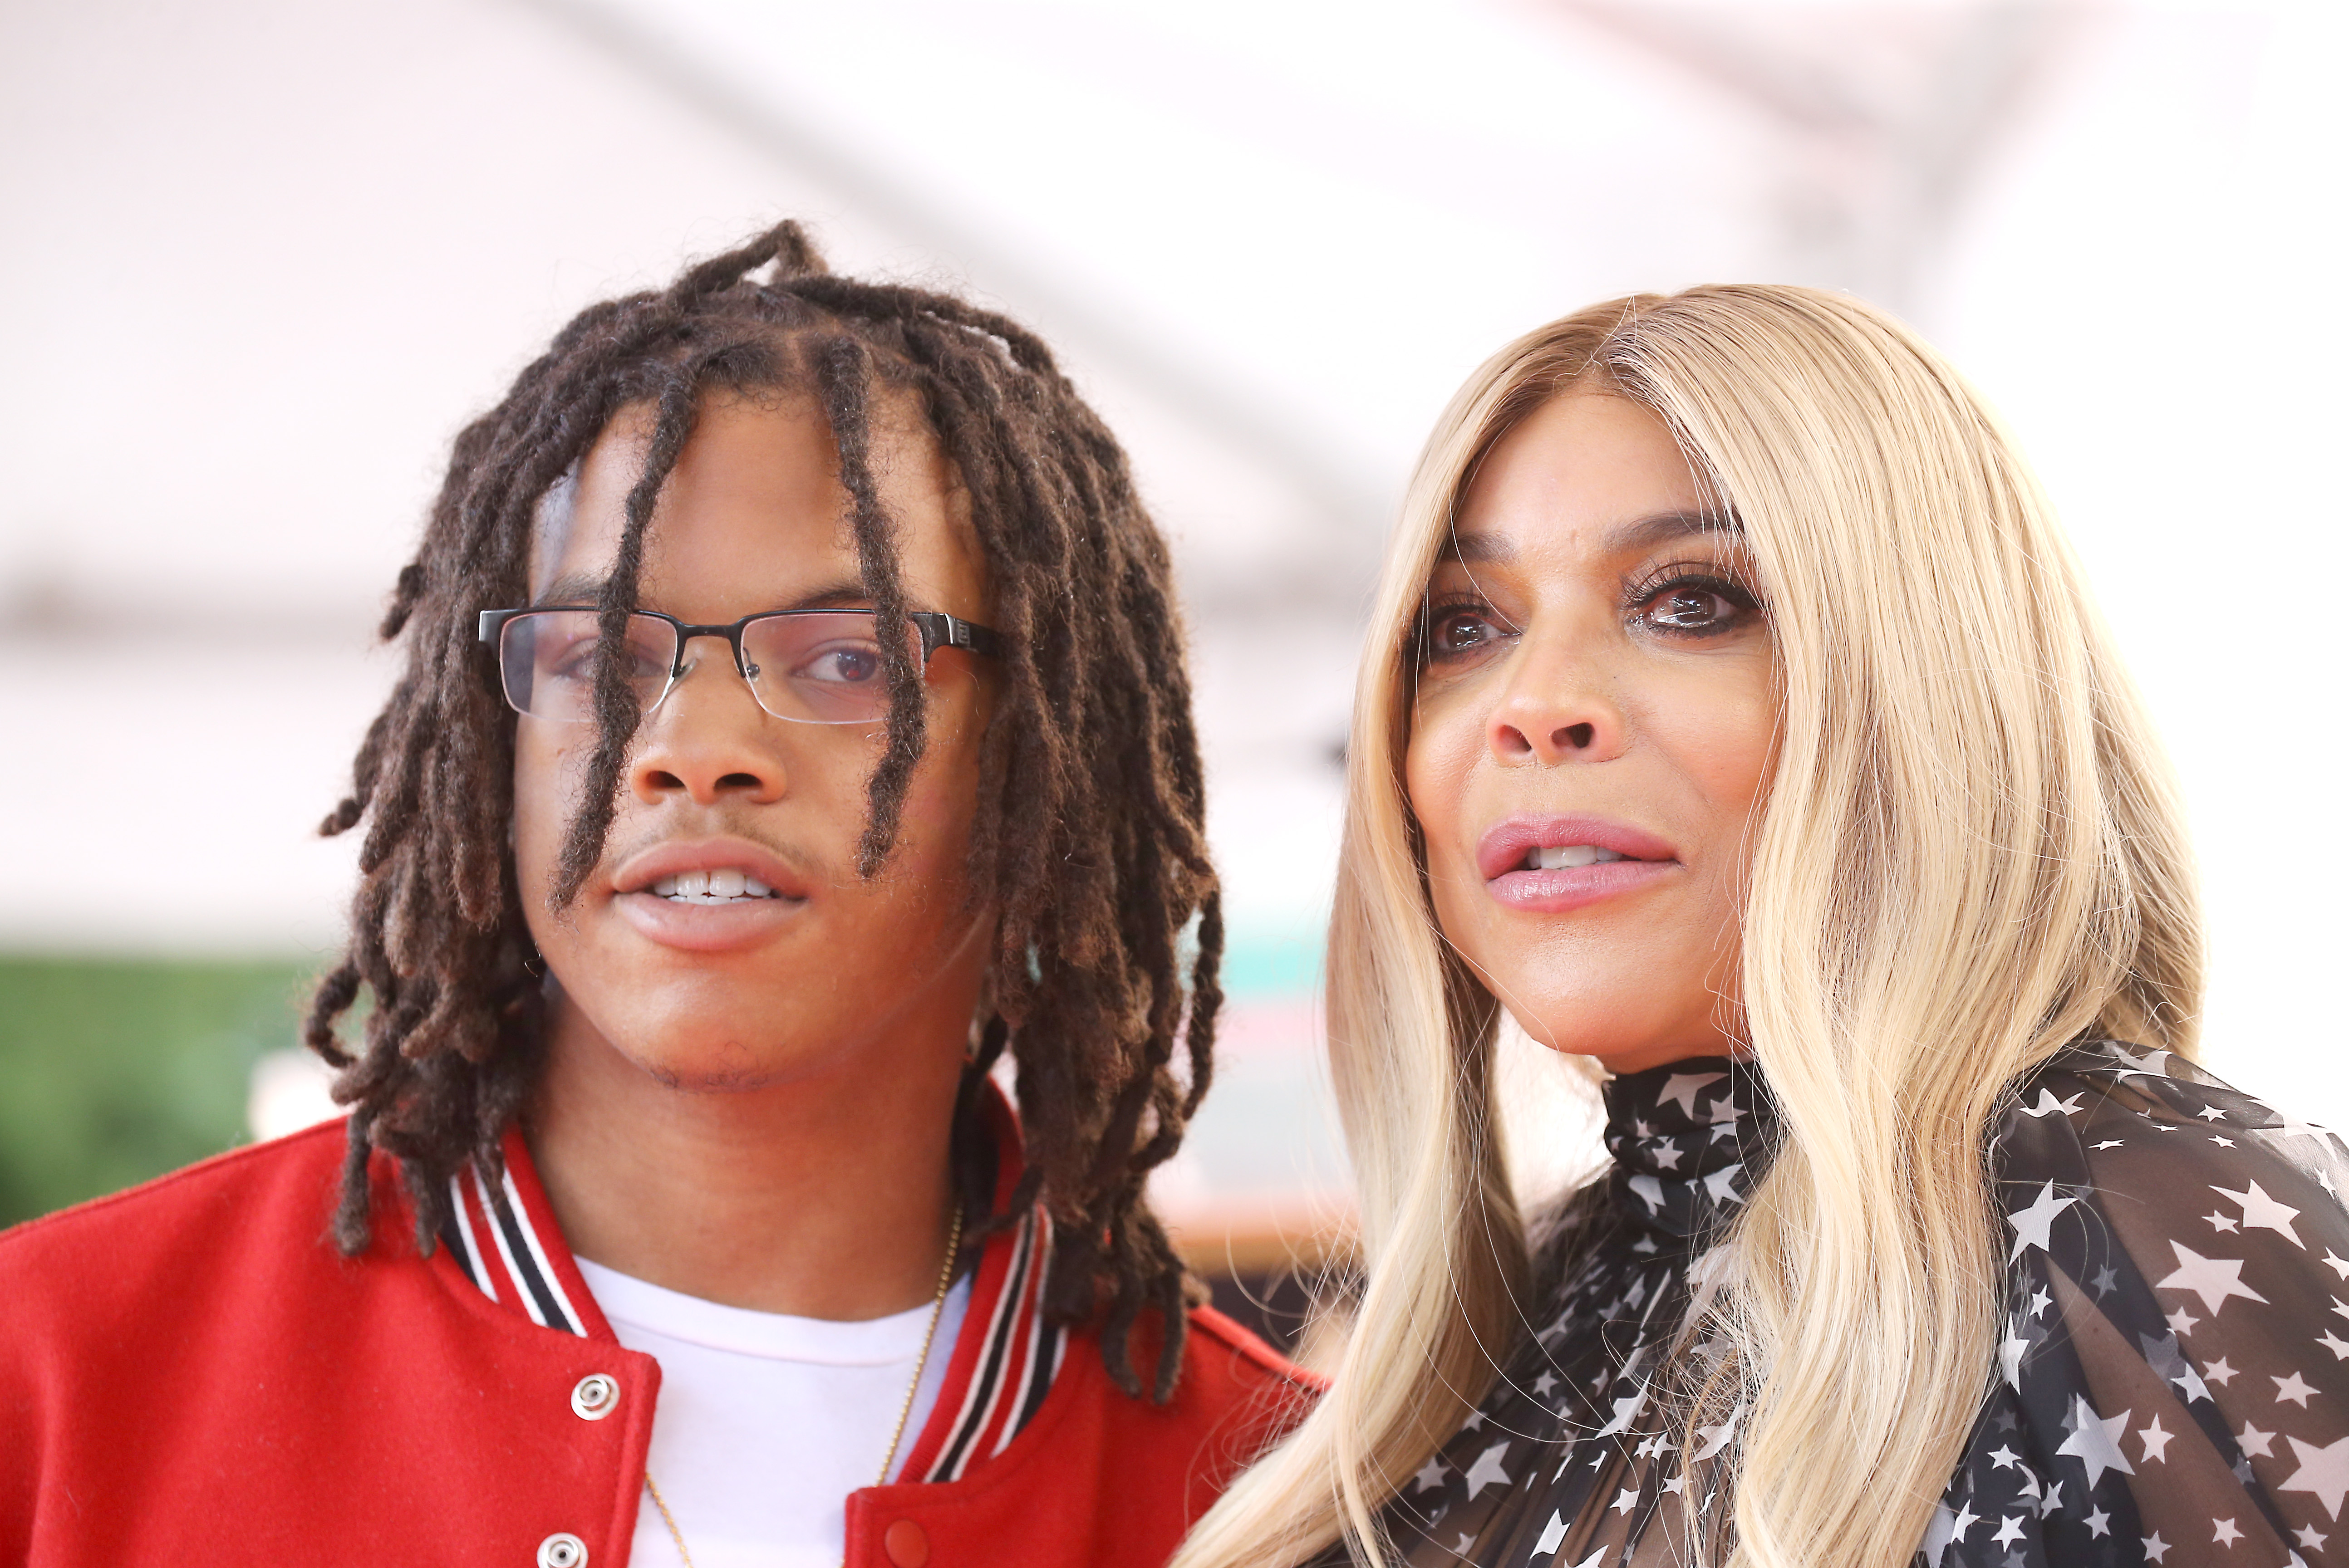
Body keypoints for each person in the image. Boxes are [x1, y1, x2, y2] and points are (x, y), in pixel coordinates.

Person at [0, 223, 1312, 1568]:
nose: (694, 745)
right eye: (595, 657)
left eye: (850, 662)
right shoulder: (55, 1372)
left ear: (1044, 750)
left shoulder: (1287, 1504)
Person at [1173, 287, 2349, 1568]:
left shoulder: (2139, 1226)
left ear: (1935, 683)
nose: (1535, 703)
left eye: (1691, 601)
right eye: (1467, 628)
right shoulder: (1513, 1328)